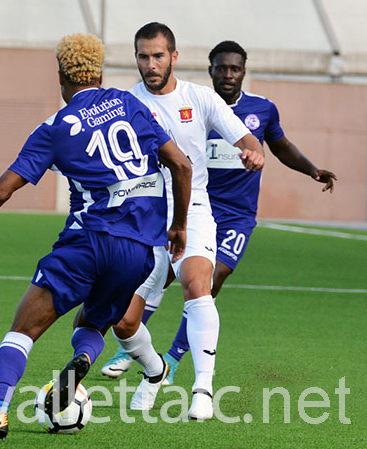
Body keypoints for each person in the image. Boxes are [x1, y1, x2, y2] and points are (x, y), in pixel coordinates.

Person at [0, 33, 192, 446]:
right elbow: (180, 165)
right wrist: (178, 226)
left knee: (22, 329)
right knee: (92, 322)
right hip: (139, 251)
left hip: (87, 241)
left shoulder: (54, 129)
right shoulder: (132, 105)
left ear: (60, 74)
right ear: (99, 72)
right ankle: (82, 361)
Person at [102, 40, 338, 395]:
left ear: (244, 71)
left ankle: (177, 357)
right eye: (221, 68)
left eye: (235, 69)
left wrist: (311, 170)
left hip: (237, 217)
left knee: (209, 280)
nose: (228, 75)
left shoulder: (261, 109)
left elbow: (280, 145)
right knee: (159, 276)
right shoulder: (198, 107)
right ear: (210, 69)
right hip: (195, 206)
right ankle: (130, 347)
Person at [86, 23, 265, 421]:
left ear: (174, 57)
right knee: (124, 320)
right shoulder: (124, 103)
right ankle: (156, 370)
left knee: (198, 284)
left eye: (158, 56)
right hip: (144, 217)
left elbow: (245, 139)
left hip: (194, 210)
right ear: (135, 58)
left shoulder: (199, 98)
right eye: (143, 57)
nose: (151, 64)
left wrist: (254, 153)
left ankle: (203, 390)